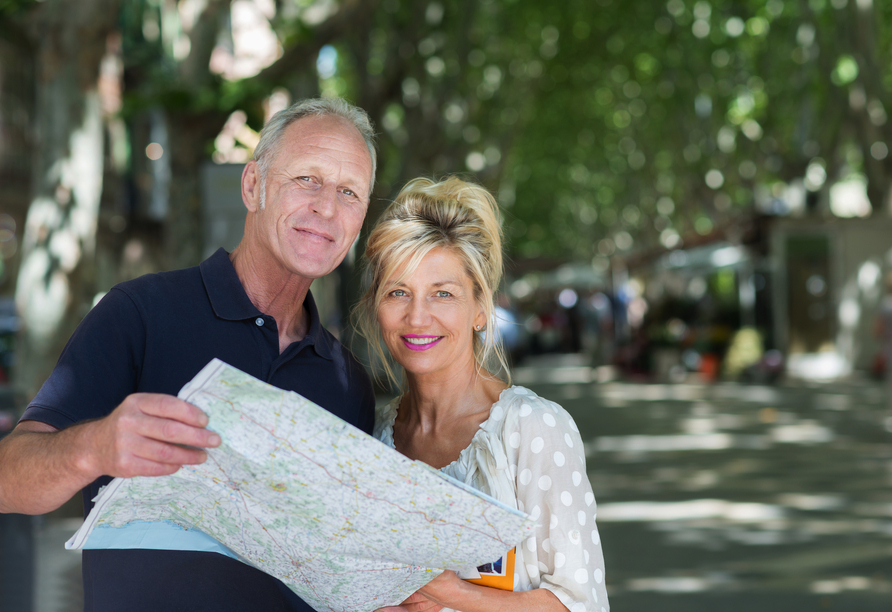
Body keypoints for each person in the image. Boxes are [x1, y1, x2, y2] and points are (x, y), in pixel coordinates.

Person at [0, 97, 377, 612]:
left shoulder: (348, 383)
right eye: (307, 179)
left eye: (349, 192)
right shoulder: (140, 313)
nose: (327, 207)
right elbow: (8, 481)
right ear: (253, 186)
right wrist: (94, 447)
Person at [355, 177, 609, 612]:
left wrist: (454, 595)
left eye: (443, 294)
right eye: (398, 292)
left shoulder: (532, 429)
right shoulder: (373, 438)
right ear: (376, 307)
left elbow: (580, 604)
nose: (418, 317)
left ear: (479, 309)